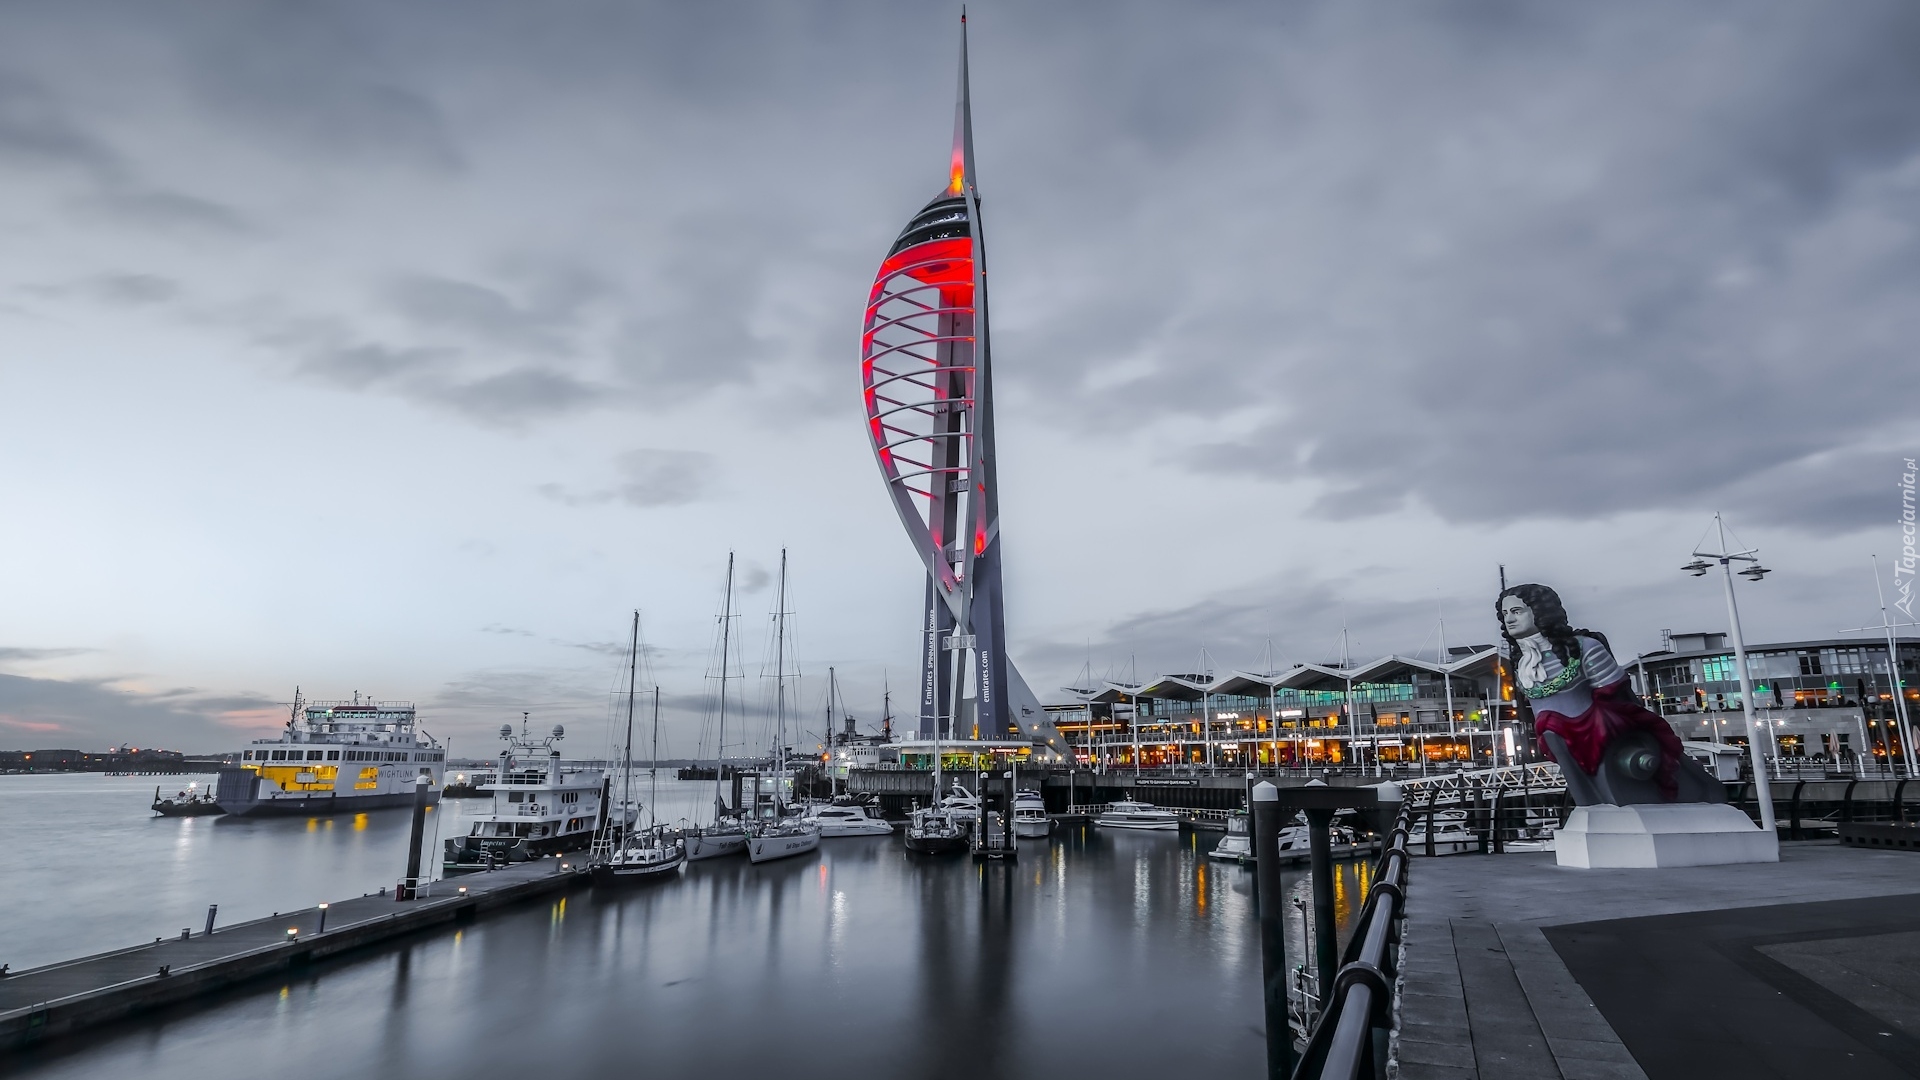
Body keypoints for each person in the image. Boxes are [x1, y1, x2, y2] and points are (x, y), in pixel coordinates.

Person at [1497, 583, 1685, 800]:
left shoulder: (1585, 648)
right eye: (1505, 614)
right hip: (1556, 741)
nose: (1509, 619)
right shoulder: (1521, 662)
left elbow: (1615, 693)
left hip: (1596, 732)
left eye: (1517, 611)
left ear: (1539, 610)